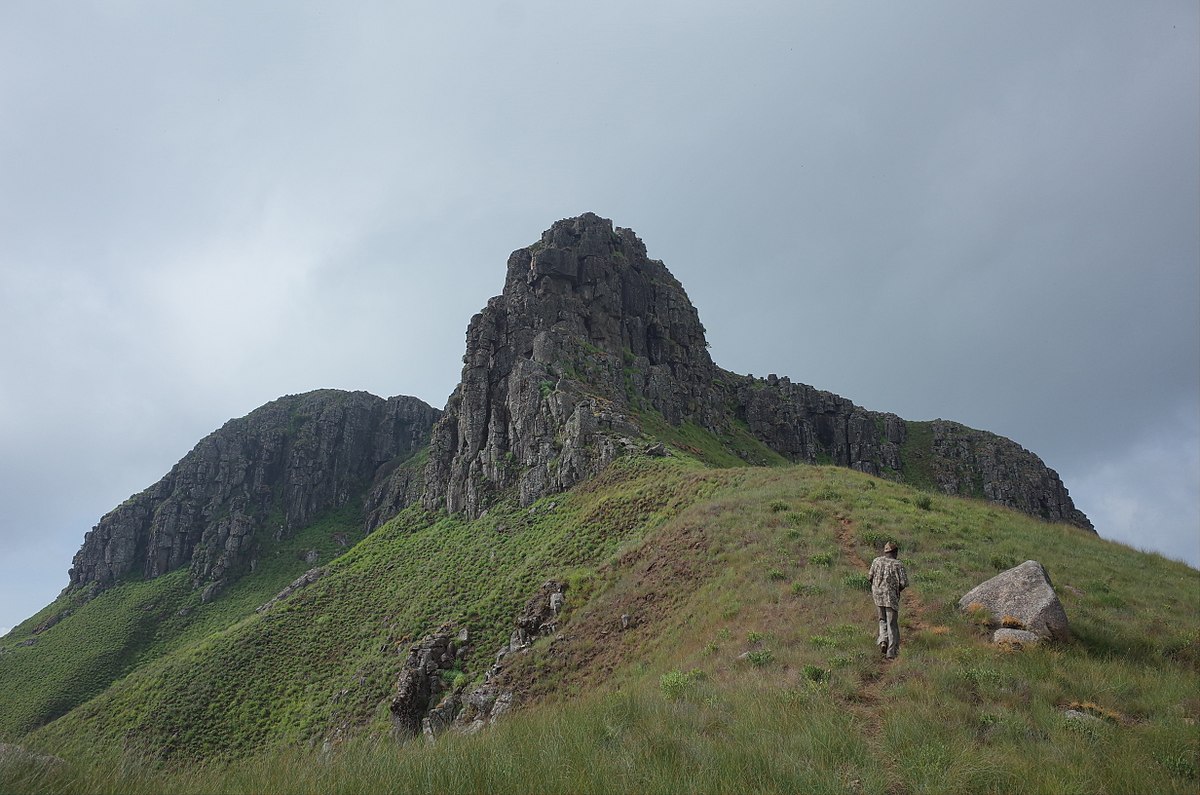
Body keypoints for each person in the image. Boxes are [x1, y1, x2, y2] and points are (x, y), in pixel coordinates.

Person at [868, 540, 908, 659]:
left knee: (882, 620)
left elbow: (870, 577)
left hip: (878, 595)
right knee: (892, 623)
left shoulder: (876, 561)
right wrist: (896, 591)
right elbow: (903, 583)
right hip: (891, 597)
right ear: (895, 552)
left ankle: (883, 641)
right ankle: (892, 652)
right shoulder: (898, 564)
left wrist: (877, 587)